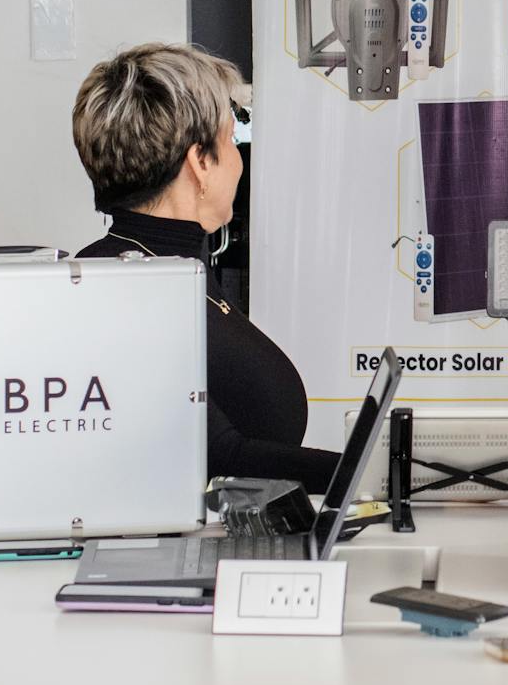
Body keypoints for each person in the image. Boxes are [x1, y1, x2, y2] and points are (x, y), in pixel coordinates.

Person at [70, 42, 339, 491]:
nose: (238, 160)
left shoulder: (176, 268)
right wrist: (373, 474)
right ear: (199, 162)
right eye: (231, 140)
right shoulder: (124, 288)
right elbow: (217, 457)